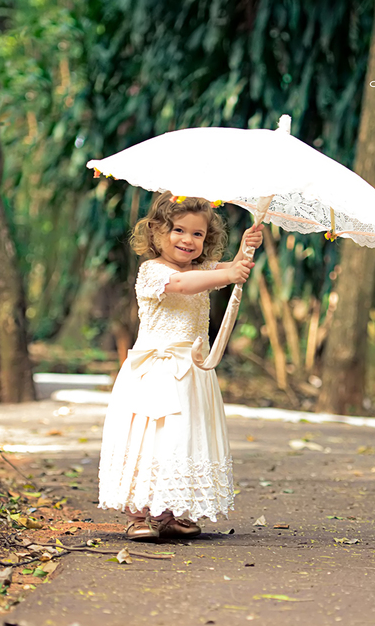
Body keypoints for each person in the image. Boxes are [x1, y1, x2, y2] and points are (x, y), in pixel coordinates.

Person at [97, 191, 262, 541]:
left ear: (207, 239)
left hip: (191, 372)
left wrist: (245, 249)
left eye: (198, 234)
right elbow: (186, 285)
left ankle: (169, 511)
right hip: (155, 373)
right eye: (179, 230)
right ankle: (139, 513)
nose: (188, 240)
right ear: (157, 232)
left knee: (182, 437)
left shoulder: (203, 268)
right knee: (150, 436)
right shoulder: (153, 272)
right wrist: (230, 272)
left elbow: (218, 270)